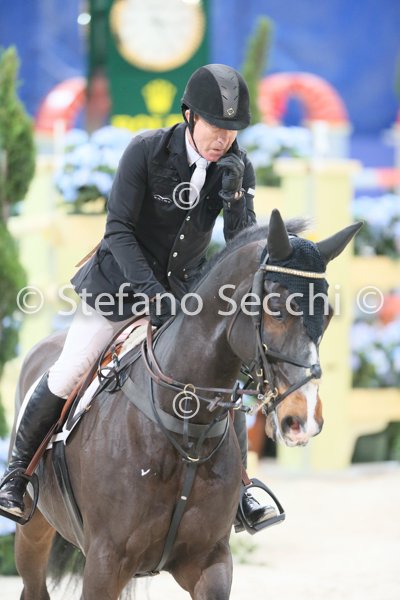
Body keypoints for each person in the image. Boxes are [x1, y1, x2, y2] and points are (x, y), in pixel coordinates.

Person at [0, 64, 277, 531]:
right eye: (215, 126)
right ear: (190, 116)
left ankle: (242, 490)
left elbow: (241, 245)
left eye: (232, 130)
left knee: (221, 379)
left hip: (183, 297)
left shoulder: (237, 165)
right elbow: (119, 231)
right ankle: (16, 476)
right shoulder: (146, 151)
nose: (223, 138)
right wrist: (154, 296)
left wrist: (235, 201)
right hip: (117, 287)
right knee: (71, 368)